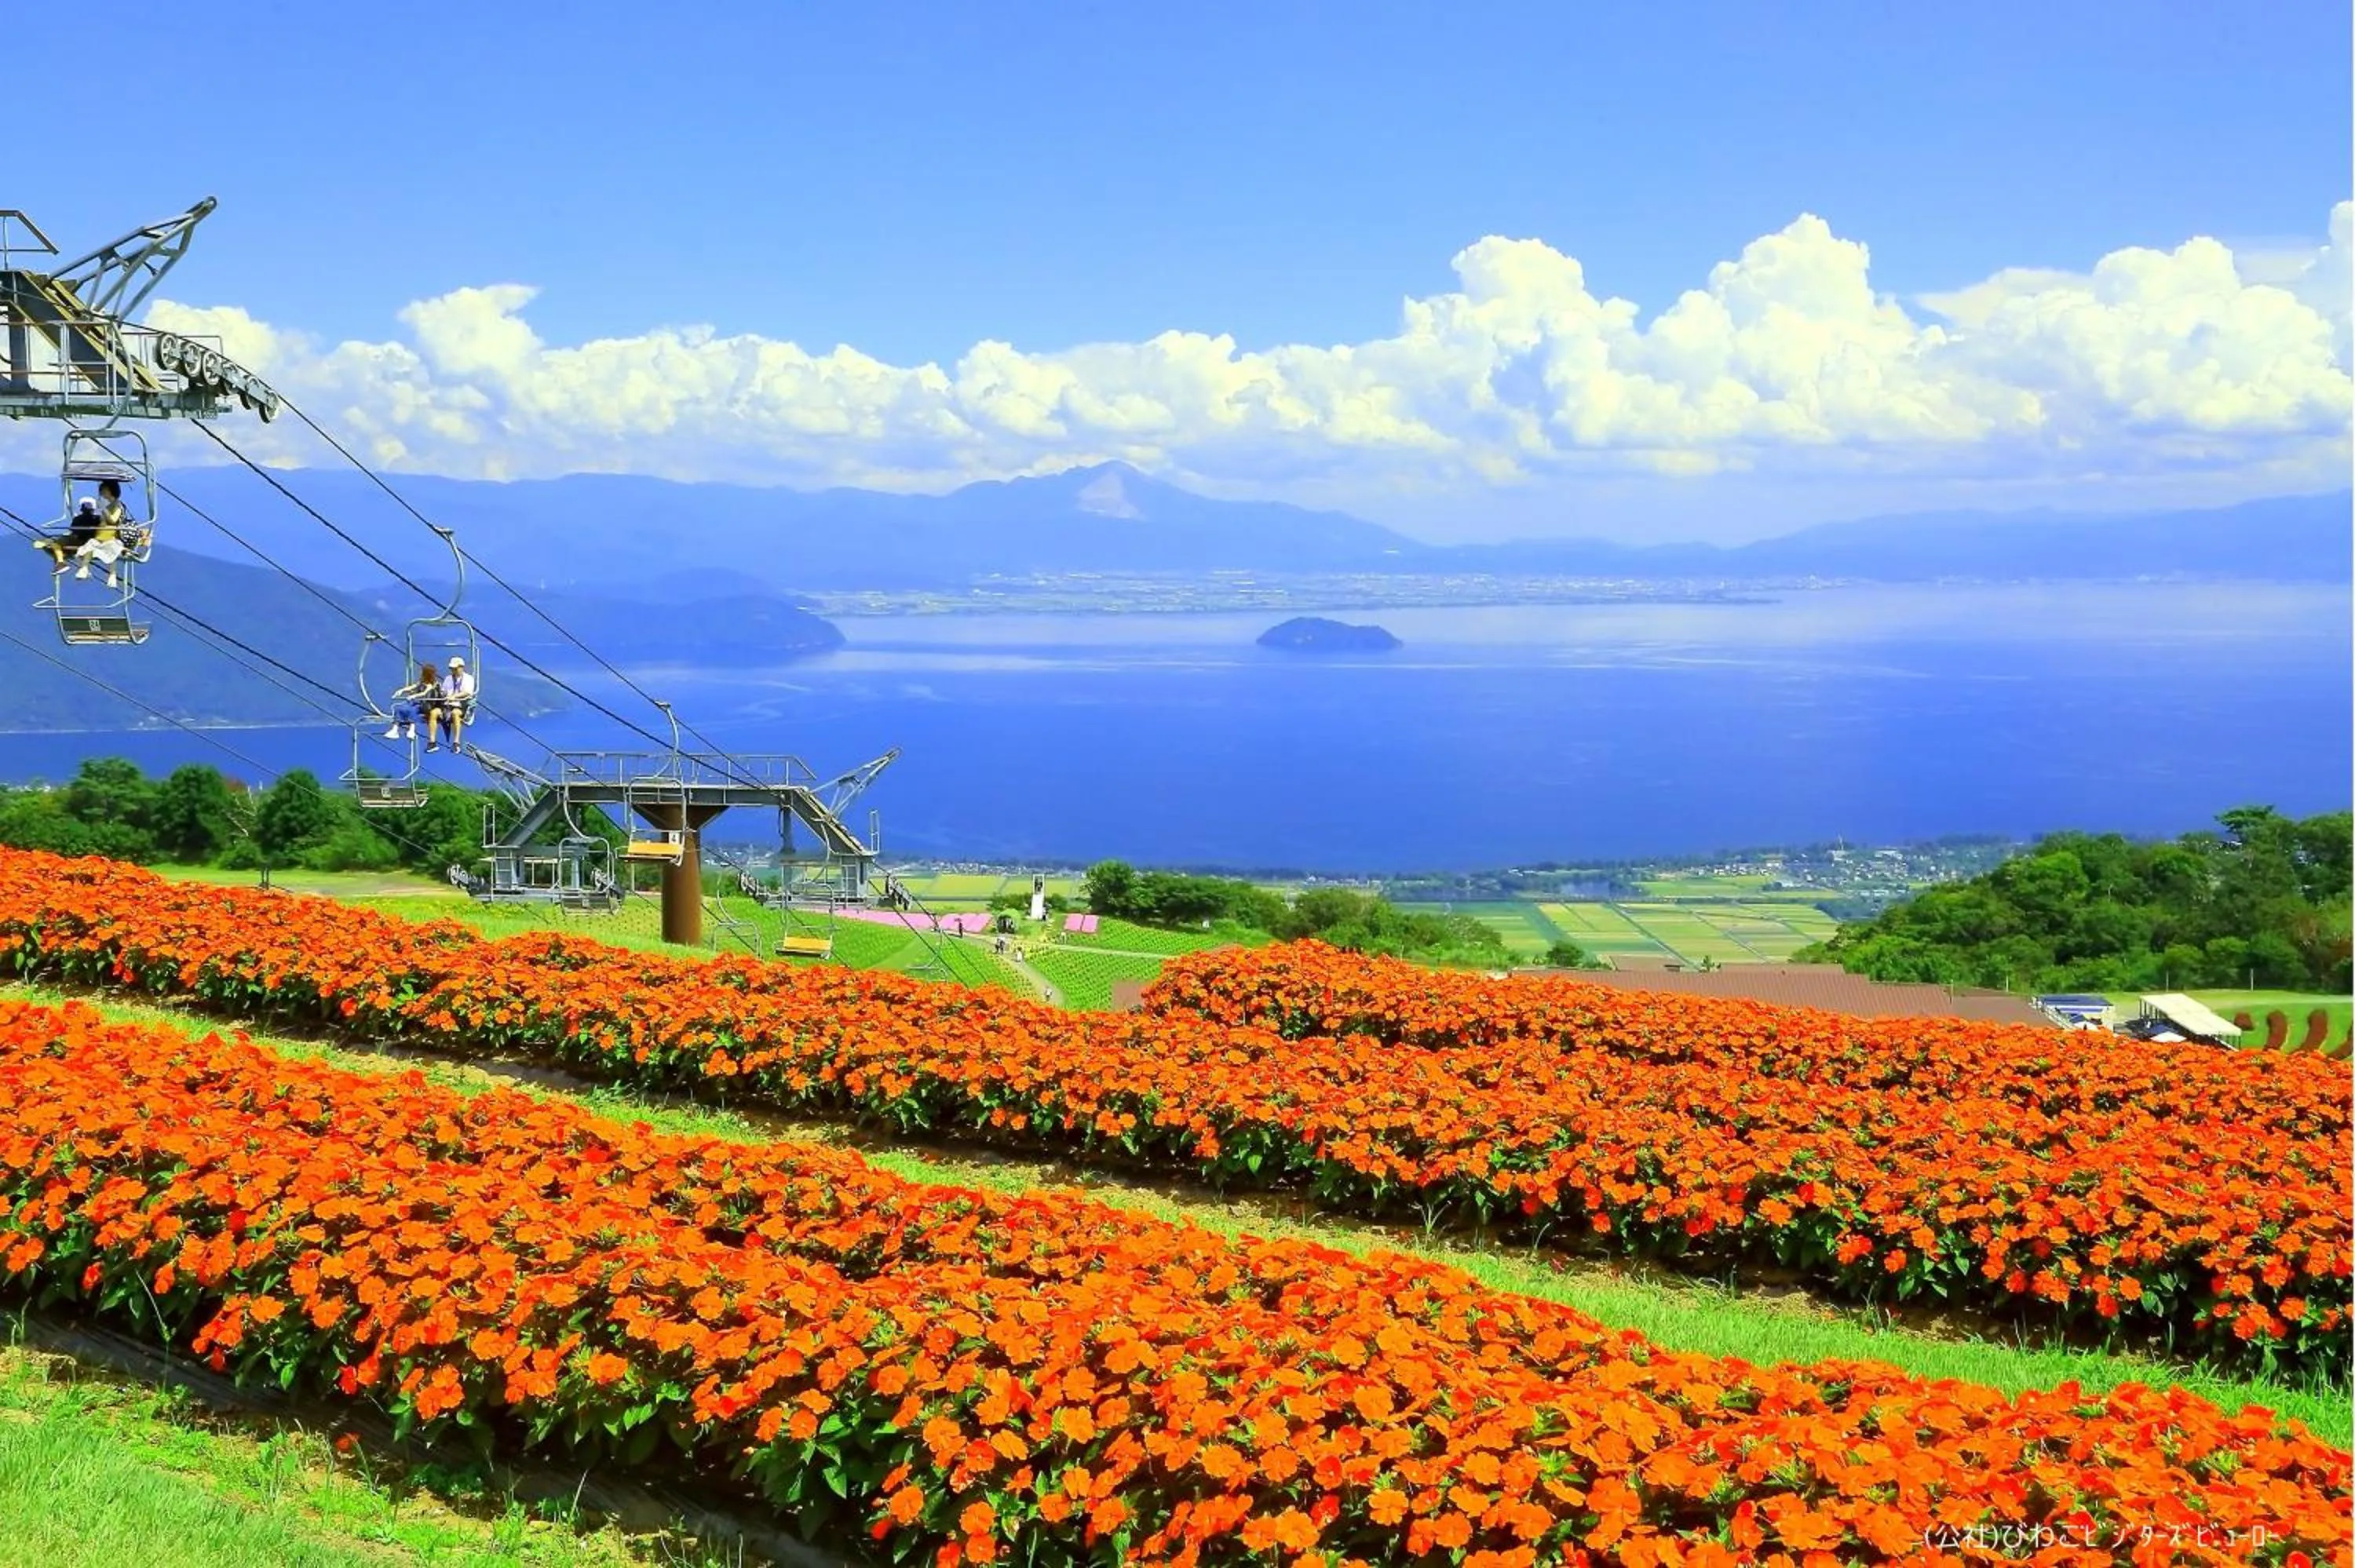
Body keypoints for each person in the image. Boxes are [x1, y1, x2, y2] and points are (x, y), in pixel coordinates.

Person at [35, 498, 100, 574]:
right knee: (56, 544)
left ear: (83, 508)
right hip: (91, 542)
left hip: (79, 541)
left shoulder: (78, 519)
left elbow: (74, 531)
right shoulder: (99, 519)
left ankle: (60, 562)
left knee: (56, 544)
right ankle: (61, 560)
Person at [425, 655, 476, 752]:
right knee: (433, 713)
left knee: (455, 714)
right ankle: (432, 742)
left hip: (461, 705)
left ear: (461, 667)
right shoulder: (448, 678)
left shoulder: (469, 679)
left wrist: (454, 696)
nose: (453, 671)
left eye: (455, 669)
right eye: (452, 669)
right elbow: (444, 691)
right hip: (446, 705)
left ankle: (456, 742)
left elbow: (467, 692)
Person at [382, 662, 438, 742]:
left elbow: (424, 693)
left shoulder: (431, 684)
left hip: (423, 704)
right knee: (400, 709)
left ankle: (412, 729)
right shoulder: (422, 682)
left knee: (412, 710)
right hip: (413, 701)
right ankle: (394, 729)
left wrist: (415, 696)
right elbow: (413, 686)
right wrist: (401, 690)